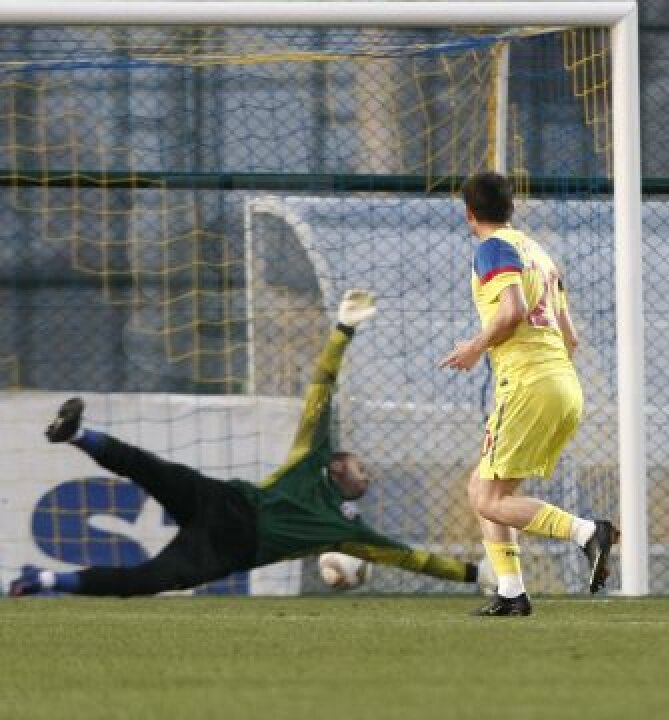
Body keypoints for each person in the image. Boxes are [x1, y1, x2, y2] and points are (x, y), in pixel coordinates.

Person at [9, 290, 481, 597]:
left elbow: (414, 559)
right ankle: (78, 434)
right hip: (227, 507)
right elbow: (321, 388)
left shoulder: (347, 533)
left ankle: (45, 579)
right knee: (147, 467)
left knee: (146, 580)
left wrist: (475, 575)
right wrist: (343, 330)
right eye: (362, 467)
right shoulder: (310, 457)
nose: (368, 475)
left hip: (228, 546)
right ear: (337, 466)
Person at [440, 171, 617, 617]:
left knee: (487, 499)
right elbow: (570, 337)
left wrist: (474, 347)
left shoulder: (493, 248)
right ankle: (511, 592)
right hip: (564, 384)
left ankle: (586, 533)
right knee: (486, 490)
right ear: (511, 207)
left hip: (528, 383)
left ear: (469, 214)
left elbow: (513, 310)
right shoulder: (540, 254)